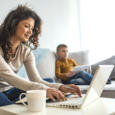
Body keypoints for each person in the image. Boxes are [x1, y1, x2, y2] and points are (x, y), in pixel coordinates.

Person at [0, 5, 82, 106]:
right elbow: (11, 78)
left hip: (11, 90)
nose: (30, 32)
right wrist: (45, 89)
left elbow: (36, 80)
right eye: (26, 26)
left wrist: (60, 87)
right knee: (9, 105)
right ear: (14, 24)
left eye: (32, 28)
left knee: (50, 82)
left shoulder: (26, 52)